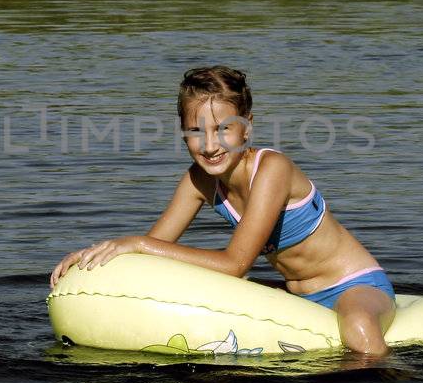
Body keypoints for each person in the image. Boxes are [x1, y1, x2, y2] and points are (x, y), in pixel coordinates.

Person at [48, 65, 397, 355]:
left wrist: (137, 244)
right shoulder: (198, 180)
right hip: (293, 292)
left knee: (358, 325)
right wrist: (91, 256)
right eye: (195, 131)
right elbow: (151, 254)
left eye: (224, 129)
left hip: (353, 286)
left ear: (247, 126)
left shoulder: (272, 168)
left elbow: (234, 264)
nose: (210, 145)